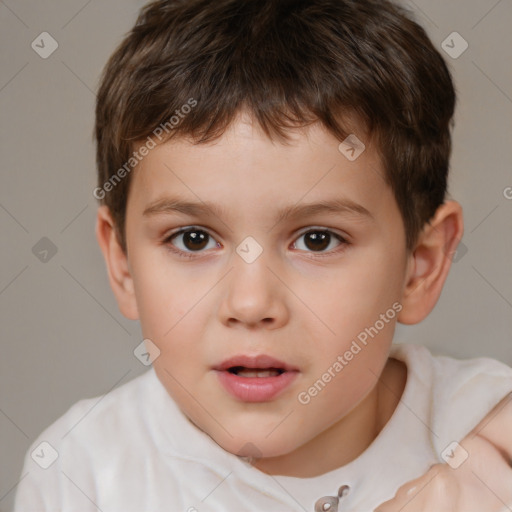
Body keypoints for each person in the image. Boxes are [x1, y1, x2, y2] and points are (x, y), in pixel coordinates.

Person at [13, 0, 512, 510]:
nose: (251, 304)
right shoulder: (81, 474)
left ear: (419, 266)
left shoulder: (488, 440)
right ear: (122, 263)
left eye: (318, 239)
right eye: (193, 239)